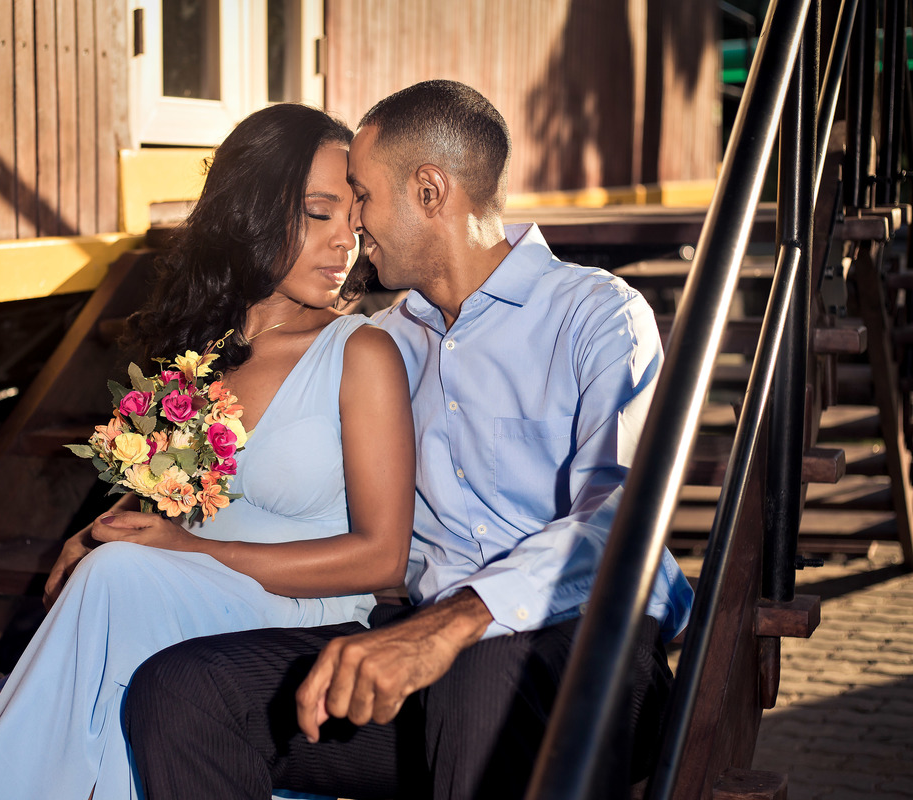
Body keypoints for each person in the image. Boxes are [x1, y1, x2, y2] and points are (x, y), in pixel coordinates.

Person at [0, 103, 415, 800]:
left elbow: (381, 558)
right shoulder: (207, 357)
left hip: (290, 619)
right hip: (176, 595)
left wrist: (189, 554)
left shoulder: (360, 353)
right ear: (252, 211)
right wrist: (96, 528)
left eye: (353, 222)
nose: (343, 245)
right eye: (318, 213)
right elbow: (180, 492)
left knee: (117, 581)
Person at [124, 80, 696, 800]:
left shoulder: (597, 316)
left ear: (430, 190)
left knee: (480, 673)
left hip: (595, 660)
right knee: (182, 693)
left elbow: (622, 518)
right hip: (428, 660)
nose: (353, 223)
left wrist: (453, 626)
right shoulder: (382, 345)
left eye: (360, 194)